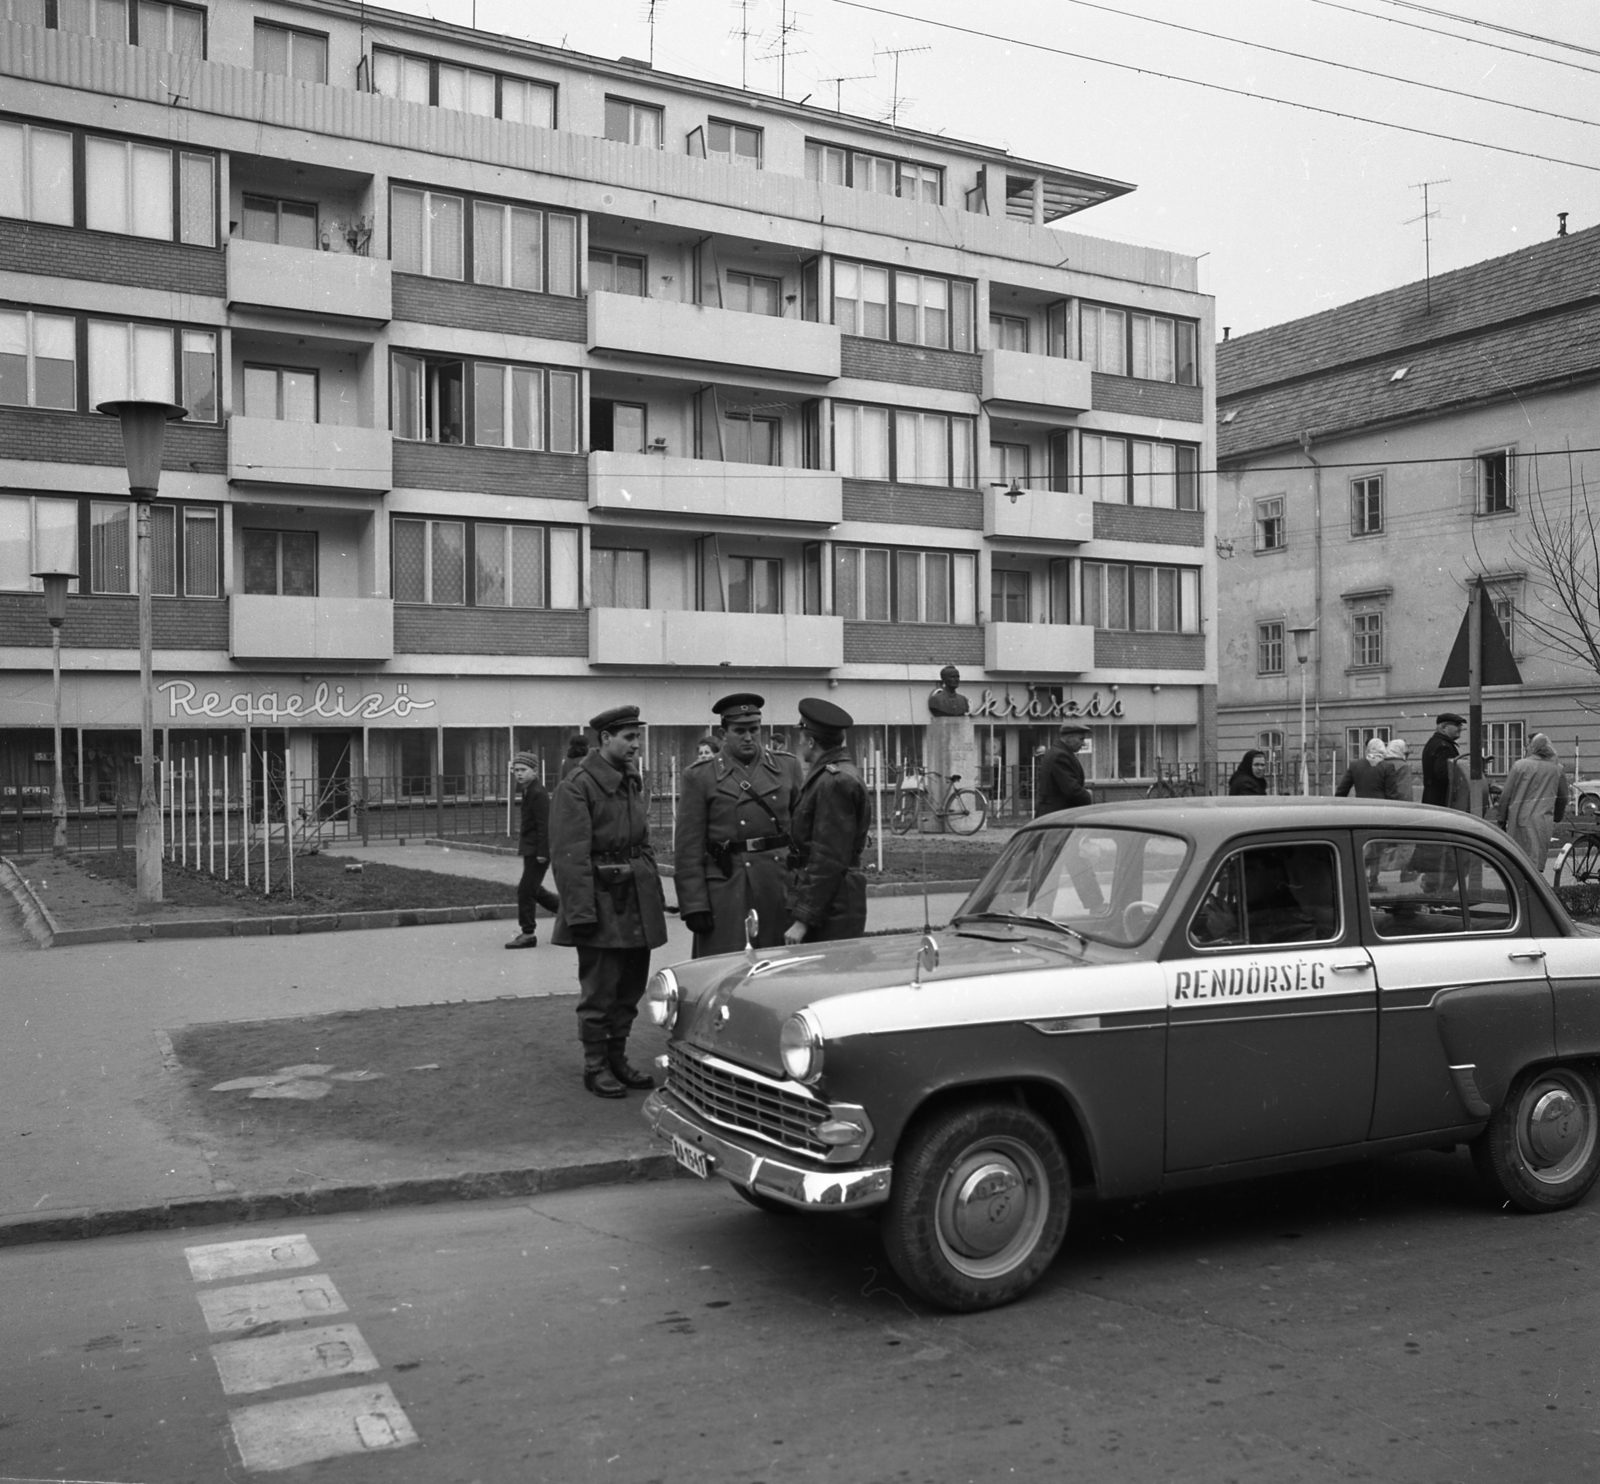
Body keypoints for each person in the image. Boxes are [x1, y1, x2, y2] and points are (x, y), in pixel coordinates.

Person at [549, 705, 668, 1099]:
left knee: (630, 988)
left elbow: (643, 841)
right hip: (601, 903)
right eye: (629, 737)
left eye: (638, 737)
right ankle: (595, 1065)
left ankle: (617, 1058)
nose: (637, 745)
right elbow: (569, 857)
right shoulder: (578, 786)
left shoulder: (630, 780)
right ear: (605, 739)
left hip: (635, 900)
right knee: (600, 991)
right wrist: (581, 914)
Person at [675, 693, 803, 958]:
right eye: (740, 730)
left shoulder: (786, 767)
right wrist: (694, 904)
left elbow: (802, 834)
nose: (748, 737)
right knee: (727, 968)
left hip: (777, 884)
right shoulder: (700, 776)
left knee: (779, 969)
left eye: (754, 730)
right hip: (727, 887)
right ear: (724, 733)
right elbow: (688, 847)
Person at [784, 698, 871, 944]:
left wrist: (803, 920)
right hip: (830, 899)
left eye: (801, 735)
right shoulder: (831, 775)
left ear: (811, 741)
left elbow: (828, 857)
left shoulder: (834, 781)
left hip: (832, 904)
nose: (799, 742)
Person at [505, 751, 559, 949]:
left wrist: (543, 852)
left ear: (534, 771)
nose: (518, 774)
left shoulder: (538, 792)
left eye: (523, 770)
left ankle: (528, 934)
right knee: (533, 889)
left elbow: (545, 825)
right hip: (531, 848)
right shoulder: (528, 790)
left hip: (538, 851)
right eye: (516, 770)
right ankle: (569, 913)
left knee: (525, 890)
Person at [1496, 733, 1568, 873]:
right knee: (1535, 865)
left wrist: (1501, 819)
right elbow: (1563, 797)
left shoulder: (1519, 766)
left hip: (1518, 819)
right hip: (1542, 822)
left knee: (1516, 862)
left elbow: (1506, 796)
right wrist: (1557, 816)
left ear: (1532, 748)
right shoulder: (1557, 769)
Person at [1036, 722, 1093, 815]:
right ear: (1069, 738)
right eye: (1081, 739)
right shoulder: (1060, 755)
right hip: (1056, 814)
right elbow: (1071, 789)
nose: (1083, 744)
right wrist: (1087, 796)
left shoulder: (1057, 752)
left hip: (1054, 812)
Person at [1419, 713, 1464, 806]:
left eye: (1460, 725)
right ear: (1444, 727)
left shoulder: (1435, 743)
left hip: (1433, 799)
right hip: (1441, 800)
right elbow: (1445, 775)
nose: (1460, 728)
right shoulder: (1443, 747)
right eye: (1457, 725)